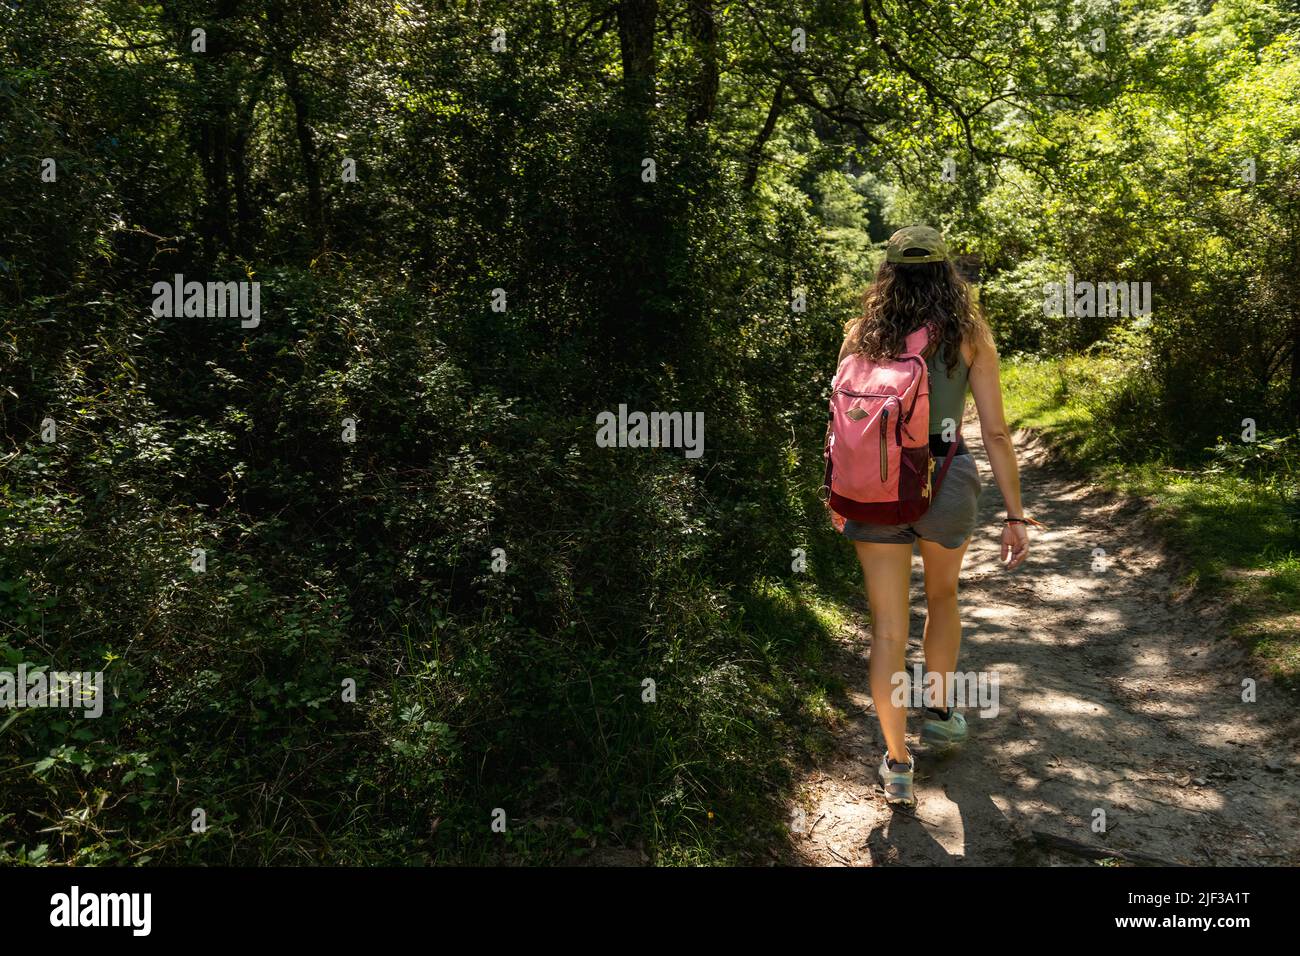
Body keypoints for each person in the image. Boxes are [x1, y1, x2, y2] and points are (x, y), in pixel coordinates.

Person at [836, 225, 1042, 808]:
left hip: (874, 489)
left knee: (886, 628)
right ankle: (943, 713)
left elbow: (842, 428)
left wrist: (840, 497)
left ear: (889, 273)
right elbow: (997, 431)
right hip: (946, 478)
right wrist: (1016, 515)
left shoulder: (860, 333)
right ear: (948, 273)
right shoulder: (967, 332)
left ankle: (896, 763)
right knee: (944, 598)